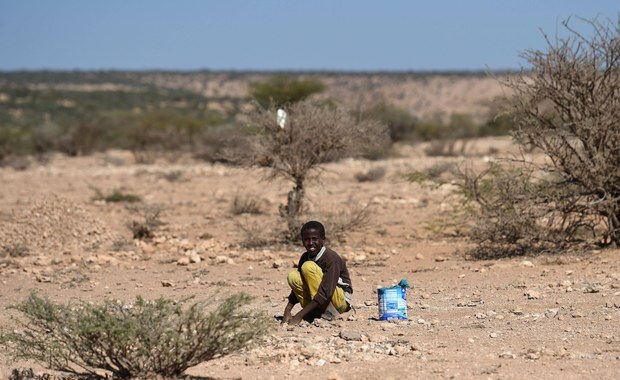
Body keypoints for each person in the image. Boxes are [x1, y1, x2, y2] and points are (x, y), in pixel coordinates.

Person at [282, 220, 353, 324]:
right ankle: (316, 312)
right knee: (293, 276)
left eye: (315, 239)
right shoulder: (305, 257)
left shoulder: (331, 258)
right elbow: (298, 285)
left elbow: (326, 292)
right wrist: (287, 310)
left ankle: (330, 312)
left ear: (323, 239)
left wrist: (299, 315)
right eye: (307, 239)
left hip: (339, 303)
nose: (311, 243)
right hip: (321, 300)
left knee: (308, 267)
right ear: (302, 241)